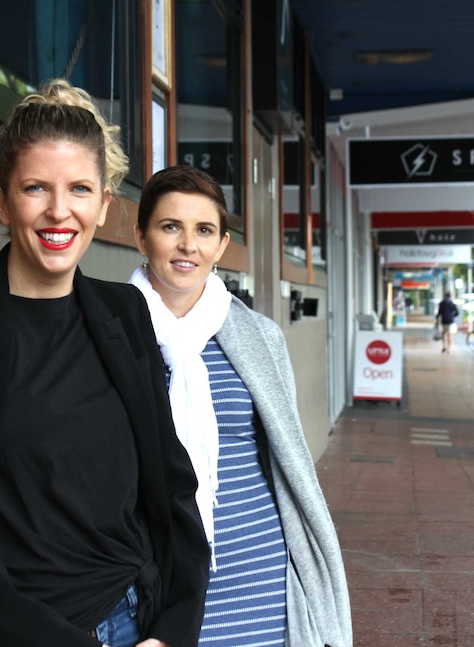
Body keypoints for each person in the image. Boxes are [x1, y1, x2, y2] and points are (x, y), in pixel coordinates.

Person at [0, 80, 209, 647]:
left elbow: (171, 481)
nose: (59, 212)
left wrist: (175, 628)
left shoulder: (125, 312)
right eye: (36, 188)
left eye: (80, 189)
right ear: (1, 200)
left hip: (132, 623)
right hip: (5, 634)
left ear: (105, 205)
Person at [129, 165, 352, 647]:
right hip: (158, 580)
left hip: (259, 569)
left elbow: (285, 458)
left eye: (204, 230)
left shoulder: (259, 337)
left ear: (222, 246)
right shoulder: (110, 332)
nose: (188, 245)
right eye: (171, 227)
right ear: (141, 237)